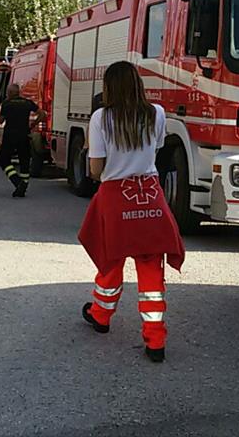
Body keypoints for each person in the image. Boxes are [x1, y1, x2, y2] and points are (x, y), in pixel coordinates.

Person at [77, 61, 185, 363]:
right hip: (149, 195)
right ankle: (156, 340)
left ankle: (100, 315)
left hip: (115, 196)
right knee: (151, 269)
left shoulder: (101, 118)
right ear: (138, 83)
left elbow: (95, 170)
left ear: (109, 87)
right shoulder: (157, 113)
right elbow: (156, 150)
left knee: (111, 259)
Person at [0, 83, 46, 198]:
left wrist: (2, 112)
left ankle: (17, 181)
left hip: (10, 137)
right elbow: (42, 114)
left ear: (10, 93)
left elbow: (1, 120)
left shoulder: (7, 104)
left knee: (4, 160)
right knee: (24, 161)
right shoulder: (27, 103)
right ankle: (23, 185)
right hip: (24, 135)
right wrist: (33, 124)